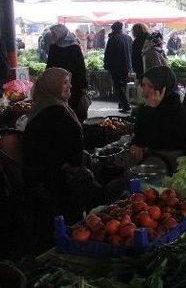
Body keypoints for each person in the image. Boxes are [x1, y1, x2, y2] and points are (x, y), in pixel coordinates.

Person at [22, 68, 100, 251]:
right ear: (52, 86)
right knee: (98, 193)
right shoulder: (55, 112)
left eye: (68, 82)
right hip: (53, 178)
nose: (70, 86)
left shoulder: (46, 105)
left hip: (44, 174)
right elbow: (71, 150)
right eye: (64, 82)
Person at [130, 66, 186, 169]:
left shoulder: (175, 109)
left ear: (163, 88)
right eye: (143, 85)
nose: (145, 89)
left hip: (170, 160)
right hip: (151, 157)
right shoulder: (144, 107)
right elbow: (139, 138)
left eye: (150, 86)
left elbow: (159, 141)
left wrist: (151, 110)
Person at [46, 24, 89, 122]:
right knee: (59, 107)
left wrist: (83, 85)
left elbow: (81, 68)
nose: (52, 36)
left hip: (74, 84)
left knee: (73, 108)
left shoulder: (74, 47)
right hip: (57, 84)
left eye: (54, 33)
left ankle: (76, 128)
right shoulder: (53, 47)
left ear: (61, 33)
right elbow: (49, 66)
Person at [104, 21, 133, 113]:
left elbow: (108, 53)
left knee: (117, 86)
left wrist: (106, 65)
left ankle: (125, 104)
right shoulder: (128, 38)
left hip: (116, 66)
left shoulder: (113, 38)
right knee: (123, 85)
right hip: (126, 65)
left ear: (114, 29)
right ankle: (122, 104)